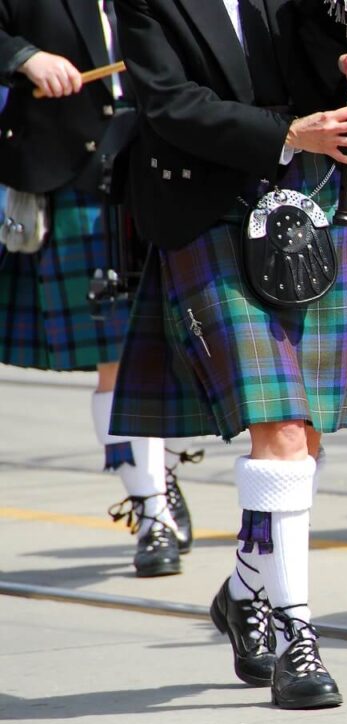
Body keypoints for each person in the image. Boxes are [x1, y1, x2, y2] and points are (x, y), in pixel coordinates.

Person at [110, 0, 347, 709]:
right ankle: (295, 638)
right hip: (210, 210)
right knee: (279, 430)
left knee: (302, 440)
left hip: (311, 202)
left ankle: (246, 587)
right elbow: (168, 101)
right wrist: (286, 133)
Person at [0, 0, 199, 578]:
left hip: (161, 173)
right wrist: (24, 56)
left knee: (169, 352)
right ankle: (153, 511)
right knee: (117, 356)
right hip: (75, 177)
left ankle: (153, 473)